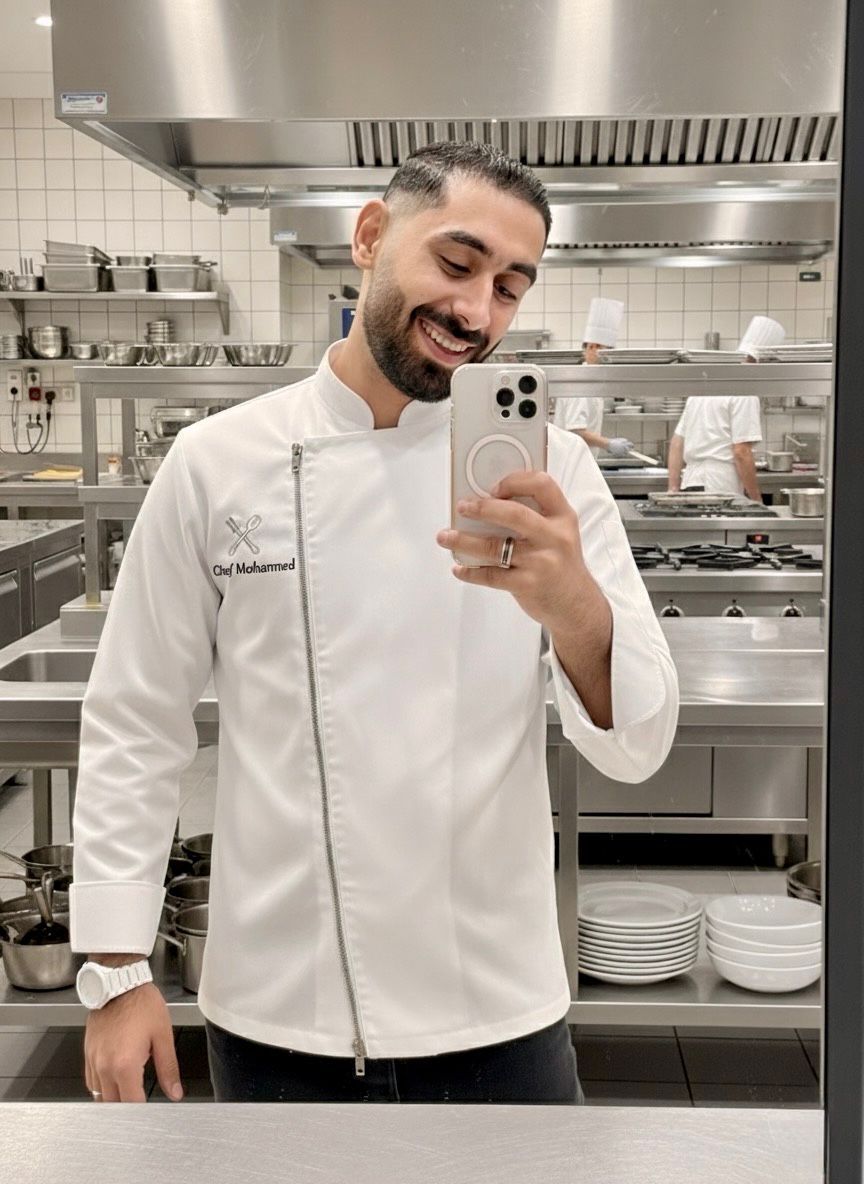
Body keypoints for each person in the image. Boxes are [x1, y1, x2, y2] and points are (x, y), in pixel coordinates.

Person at [71, 142, 679, 1106]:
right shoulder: (218, 462)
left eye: (509, 288)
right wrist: (115, 969)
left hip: (496, 1004)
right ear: (369, 237)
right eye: (456, 262)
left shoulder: (553, 474)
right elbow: (136, 718)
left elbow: (638, 744)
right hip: (279, 1005)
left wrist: (572, 606)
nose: (476, 312)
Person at [667, 316, 785, 499]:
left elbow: (677, 443)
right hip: (720, 484)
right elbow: (741, 452)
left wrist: (672, 489)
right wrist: (757, 499)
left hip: (692, 481)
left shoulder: (706, 386)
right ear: (762, 363)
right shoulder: (745, 391)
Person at [554, 297, 634, 458]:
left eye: (602, 348)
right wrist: (608, 444)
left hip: (581, 460)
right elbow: (575, 431)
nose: (596, 351)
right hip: (571, 461)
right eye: (592, 347)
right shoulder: (580, 384)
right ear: (588, 349)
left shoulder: (593, 383)